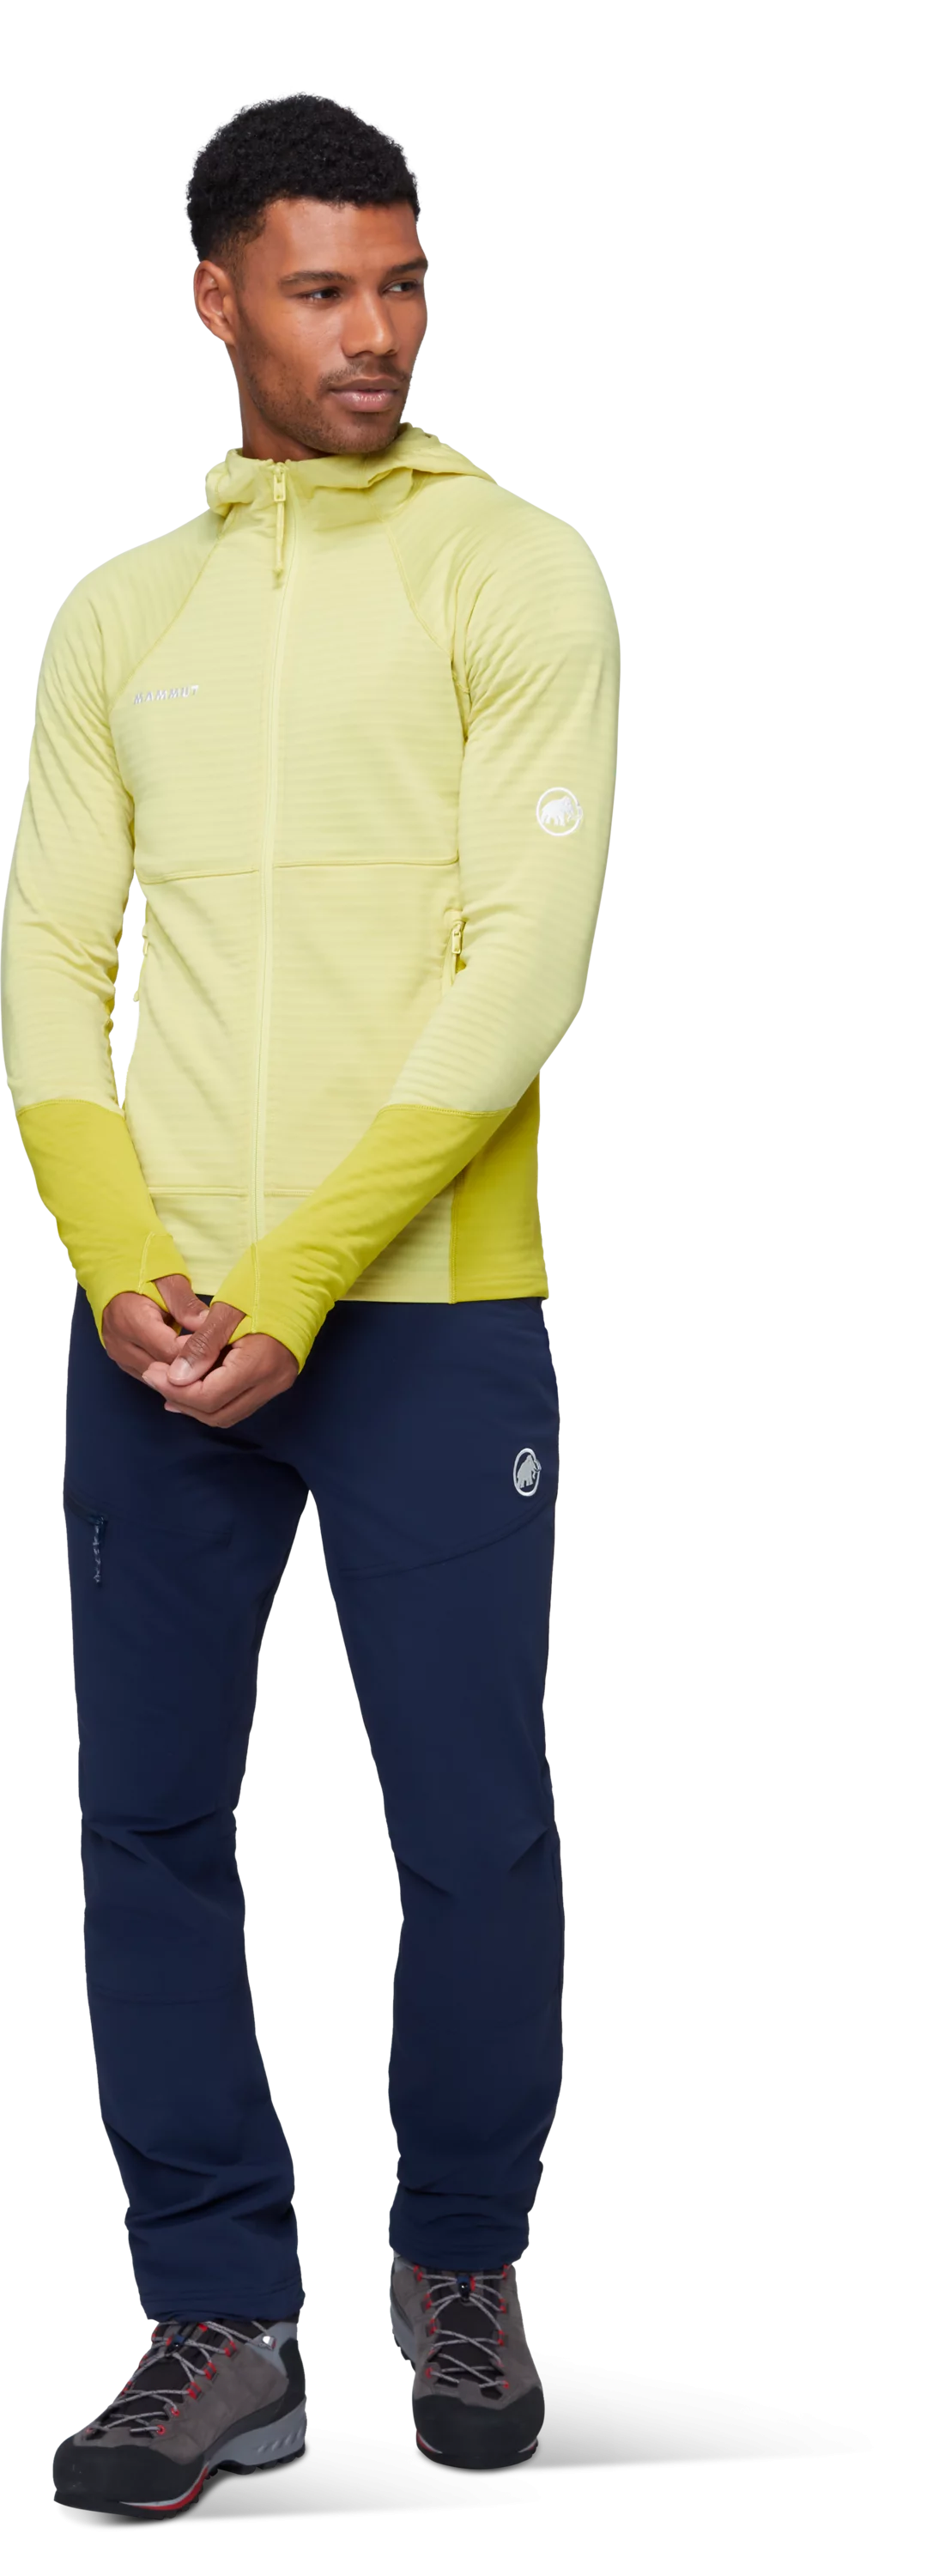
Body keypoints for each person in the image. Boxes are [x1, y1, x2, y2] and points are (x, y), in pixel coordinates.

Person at [3, 93, 621, 2508]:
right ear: (216, 300)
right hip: (157, 1321)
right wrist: (122, 1265)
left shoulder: (518, 573)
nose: (377, 332)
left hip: (425, 1305)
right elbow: (51, 971)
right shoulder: (118, 618)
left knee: (467, 1827)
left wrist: (297, 1273)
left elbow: (524, 974)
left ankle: (459, 2266)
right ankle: (217, 2315)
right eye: (323, 288)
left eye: (402, 282)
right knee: (148, 1820)